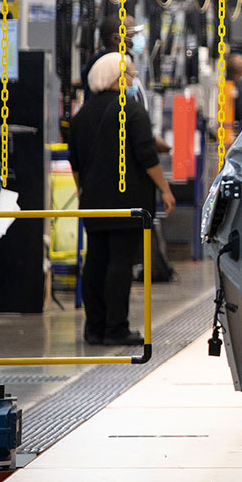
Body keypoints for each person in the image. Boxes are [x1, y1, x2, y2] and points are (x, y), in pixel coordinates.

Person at [68, 53, 176, 346]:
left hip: (92, 201)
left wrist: (86, 191)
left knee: (95, 263)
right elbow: (146, 155)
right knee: (119, 264)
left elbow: (75, 164)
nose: (132, 78)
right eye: (129, 73)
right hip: (127, 202)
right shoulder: (132, 111)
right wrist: (165, 189)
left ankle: (94, 329)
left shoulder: (80, 117)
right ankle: (116, 328)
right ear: (118, 78)